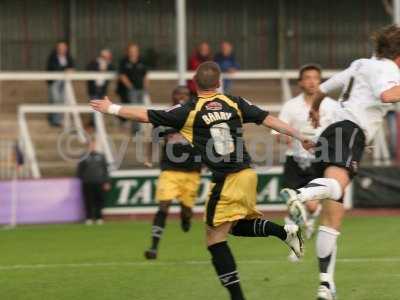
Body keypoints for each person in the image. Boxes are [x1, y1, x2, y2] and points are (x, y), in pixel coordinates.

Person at [91, 61, 314, 300]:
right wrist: (300, 135)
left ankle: (238, 297)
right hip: (247, 175)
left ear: (195, 84)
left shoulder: (189, 110)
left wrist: (111, 107)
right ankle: (286, 233)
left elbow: (145, 115)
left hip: (227, 178)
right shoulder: (234, 102)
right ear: (219, 82)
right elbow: (269, 119)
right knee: (235, 226)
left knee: (214, 239)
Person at [280, 25, 400, 300]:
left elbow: (323, 89)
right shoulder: (389, 69)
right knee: (335, 187)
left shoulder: (360, 64)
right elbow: (387, 95)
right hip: (350, 132)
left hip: (332, 132)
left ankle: (326, 285)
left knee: (333, 215)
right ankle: (302, 195)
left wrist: (313, 108)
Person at [274, 64, 337, 260]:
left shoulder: (331, 106)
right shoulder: (291, 106)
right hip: (295, 160)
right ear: (301, 82)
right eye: (307, 78)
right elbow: (277, 132)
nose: (311, 81)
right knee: (291, 207)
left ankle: (309, 219)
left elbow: (340, 130)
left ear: (320, 81)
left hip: (319, 161)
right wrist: (284, 137)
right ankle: (295, 248)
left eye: (315, 78)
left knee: (310, 206)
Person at [144, 86, 202, 260]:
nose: (180, 97)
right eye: (177, 94)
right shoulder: (163, 118)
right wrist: (148, 157)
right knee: (163, 206)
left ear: (189, 96)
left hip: (192, 171)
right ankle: (153, 247)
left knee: (186, 210)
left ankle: (186, 218)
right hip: (169, 170)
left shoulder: (196, 116)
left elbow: (206, 139)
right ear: (172, 97)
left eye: (183, 94)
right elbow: (153, 139)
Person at [117, 43, 149, 133]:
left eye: (135, 51)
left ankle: (137, 128)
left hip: (141, 89)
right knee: (134, 109)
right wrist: (130, 86)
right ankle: (135, 130)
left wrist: (146, 86)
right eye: (131, 51)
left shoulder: (141, 60)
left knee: (141, 109)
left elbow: (145, 74)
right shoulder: (124, 61)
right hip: (131, 90)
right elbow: (122, 75)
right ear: (128, 52)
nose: (133, 53)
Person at [77, 139, 110, 225]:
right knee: (88, 201)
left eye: (93, 145)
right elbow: (79, 171)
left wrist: (106, 181)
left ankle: (99, 218)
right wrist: (84, 179)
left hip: (99, 182)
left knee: (99, 200)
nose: (92, 147)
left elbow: (105, 170)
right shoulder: (83, 157)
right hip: (87, 182)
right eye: (90, 145)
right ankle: (89, 218)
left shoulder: (101, 156)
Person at [46, 41, 75, 127]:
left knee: (63, 100)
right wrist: (65, 70)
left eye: (64, 48)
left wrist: (70, 70)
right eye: (60, 48)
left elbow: (72, 67)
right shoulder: (53, 57)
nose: (62, 50)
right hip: (54, 81)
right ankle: (55, 120)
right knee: (55, 100)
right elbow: (53, 68)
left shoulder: (69, 57)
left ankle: (61, 119)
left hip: (65, 82)